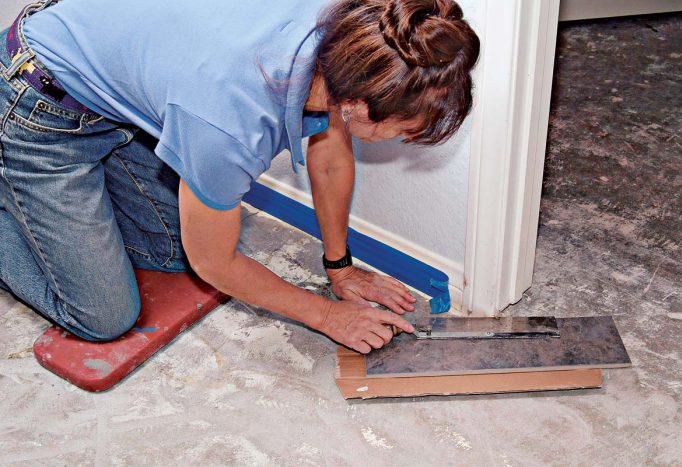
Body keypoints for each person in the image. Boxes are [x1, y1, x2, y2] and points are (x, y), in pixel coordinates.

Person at [0, 0, 480, 354]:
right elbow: (216, 263)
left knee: (171, 252)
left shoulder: (348, 42)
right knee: (104, 316)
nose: (399, 140)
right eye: (401, 130)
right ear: (356, 107)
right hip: (37, 102)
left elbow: (331, 156)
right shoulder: (229, 123)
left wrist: (340, 267)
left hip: (116, 106)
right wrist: (327, 314)